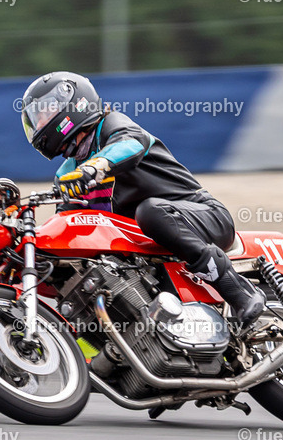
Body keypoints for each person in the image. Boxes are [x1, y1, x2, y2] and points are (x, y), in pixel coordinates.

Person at [19, 71, 265, 325]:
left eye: (44, 113)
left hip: (203, 216)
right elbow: (68, 226)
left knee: (150, 212)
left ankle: (239, 291)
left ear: (73, 103)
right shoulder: (67, 172)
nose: (40, 123)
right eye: (36, 119)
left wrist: (97, 166)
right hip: (149, 249)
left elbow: (130, 144)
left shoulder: (112, 126)